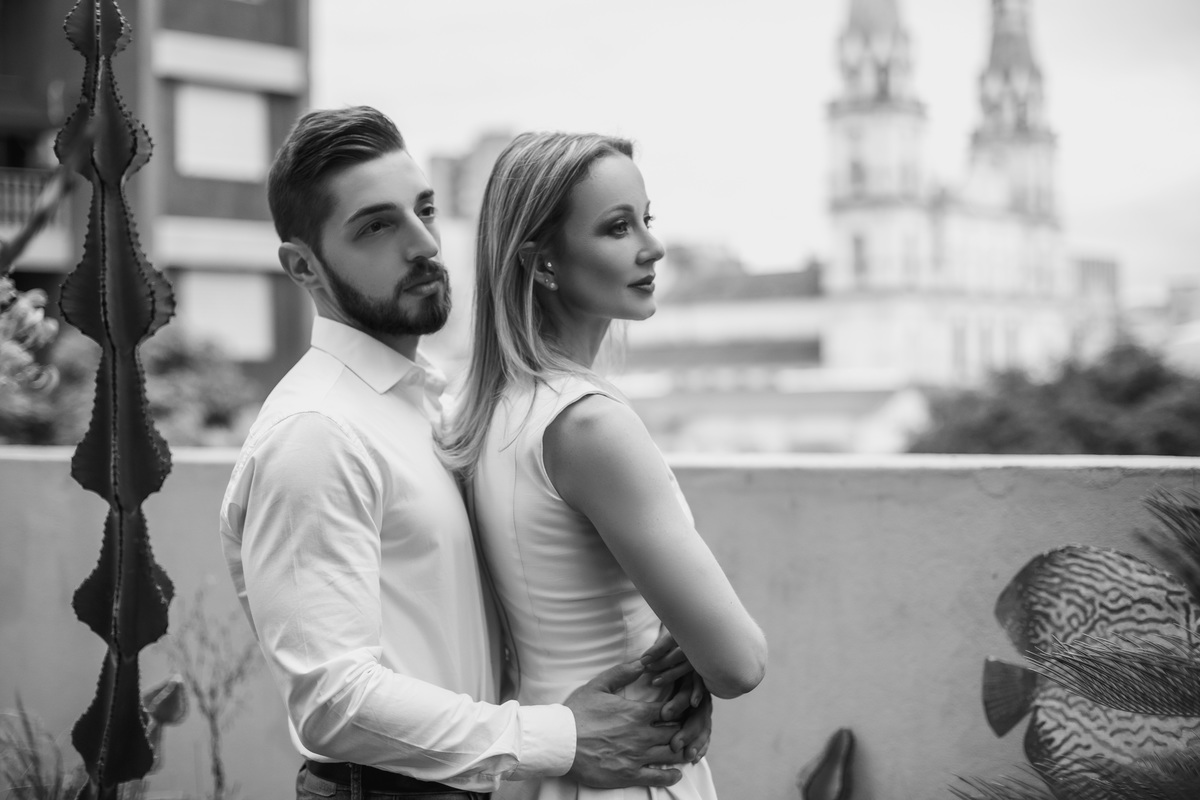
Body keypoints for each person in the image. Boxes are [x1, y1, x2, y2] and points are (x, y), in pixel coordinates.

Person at [218, 107, 709, 800]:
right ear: (304, 267)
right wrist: (562, 738)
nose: (423, 243)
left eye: (424, 209)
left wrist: (669, 674)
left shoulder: (434, 407)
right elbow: (332, 700)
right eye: (376, 227)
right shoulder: (315, 433)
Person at [442, 131, 768, 800]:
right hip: (626, 769)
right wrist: (691, 654)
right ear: (542, 261)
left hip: (554, 764)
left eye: (647, 219)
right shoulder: (590, 424)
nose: (653, 246)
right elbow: (739, 661)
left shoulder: (491, 410)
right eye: (618, 227)